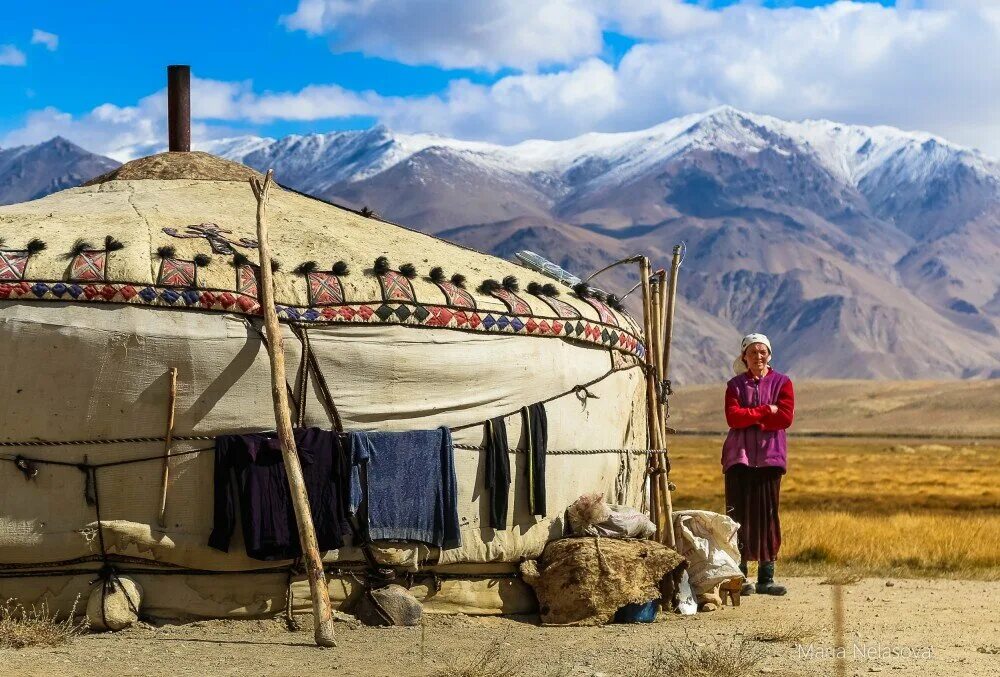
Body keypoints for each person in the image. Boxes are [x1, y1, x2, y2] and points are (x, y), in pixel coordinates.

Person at [721, 333, 794, 596]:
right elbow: (733, 418)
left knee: (767, 516)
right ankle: (739, 577)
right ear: (744, 357)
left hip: (770, 458)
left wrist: (750, 415)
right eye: (753, 352)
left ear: (770, 355)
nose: (758, 357)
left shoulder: (783, 383)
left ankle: (766, 577)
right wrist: (765, 411)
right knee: (737, 517)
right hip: (738, 458)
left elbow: (785, 418)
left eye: (762, 352)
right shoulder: (735, 385)